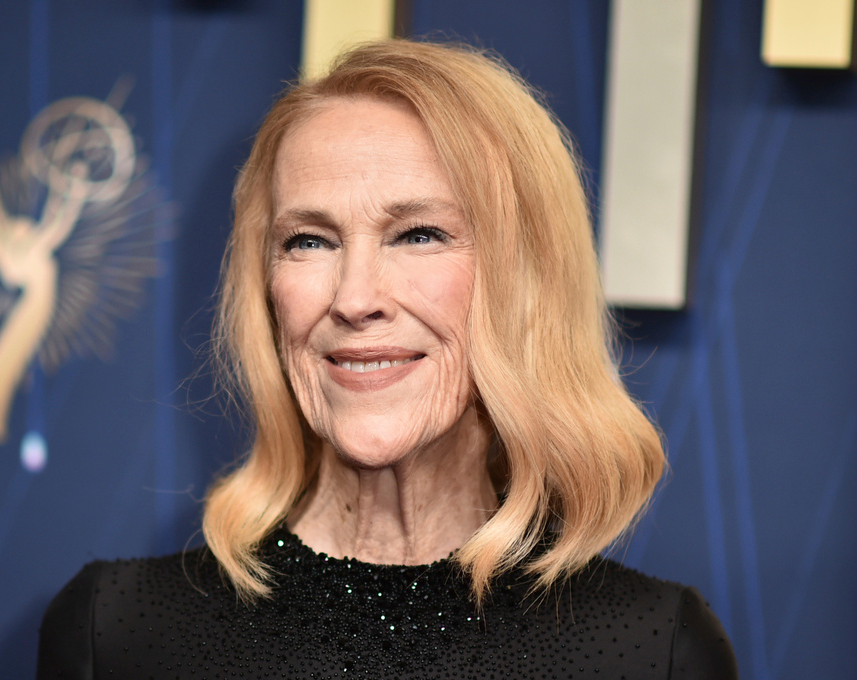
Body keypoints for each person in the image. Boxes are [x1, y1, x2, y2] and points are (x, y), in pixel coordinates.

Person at [36, 39, 737, 679]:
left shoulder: (653, 652)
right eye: (310, 241)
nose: (354, 297)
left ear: (525, 281)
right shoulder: (117, 634)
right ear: (267, 288)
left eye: (419, 234)